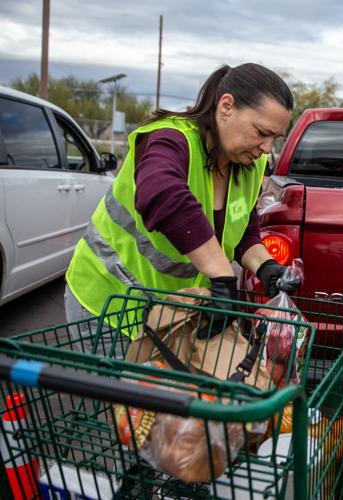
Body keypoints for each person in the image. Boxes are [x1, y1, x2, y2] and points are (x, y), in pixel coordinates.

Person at [64, 63, 299, 352]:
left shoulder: (249, 163)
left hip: (169, 314)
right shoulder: (169, 139)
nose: (266, 148)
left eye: (274, 138)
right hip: (109, 306)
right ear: (226, 106)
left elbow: (243, 233)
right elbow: (162, 194)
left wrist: (267, 268)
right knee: (115, 397)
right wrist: (221, 275)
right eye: (261, 132)